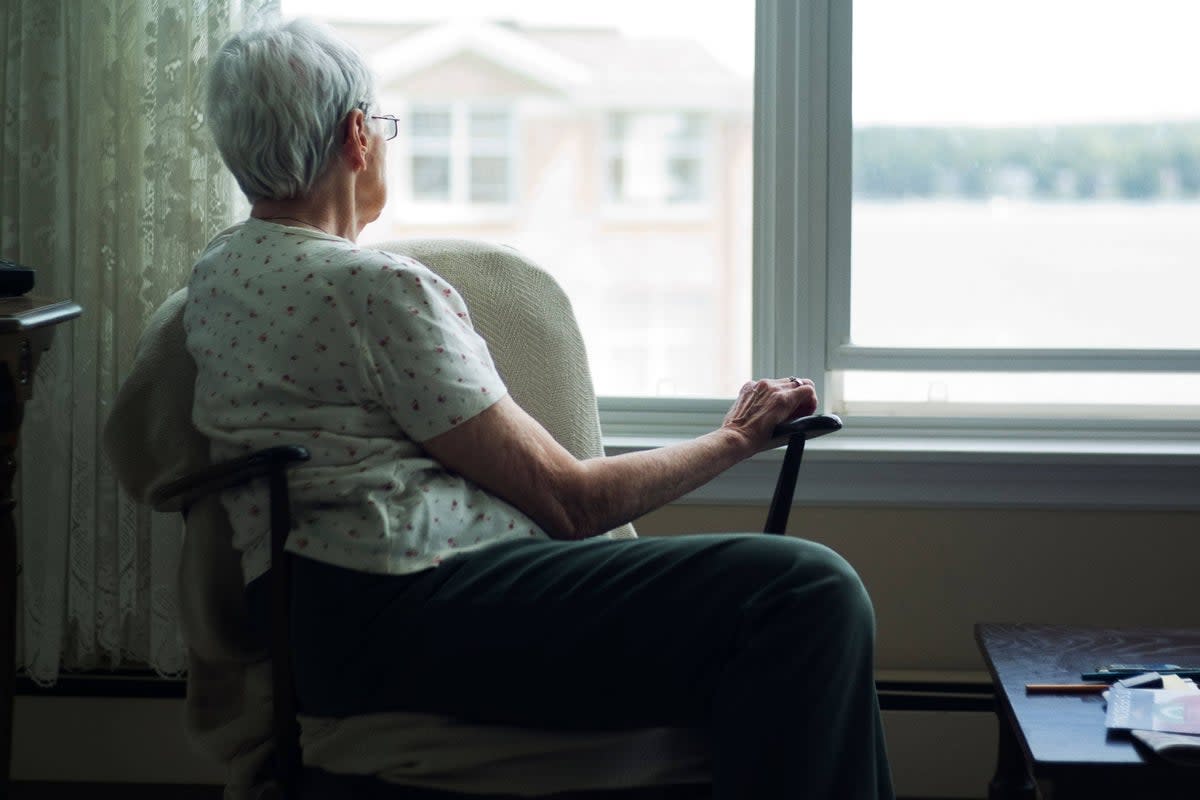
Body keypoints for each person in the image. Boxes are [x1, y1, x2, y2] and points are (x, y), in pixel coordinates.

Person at [189, 18, 893, 800]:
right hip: (416, 611)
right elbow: (570, 501)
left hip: (311, 624)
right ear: (358, 136)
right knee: (806, 589)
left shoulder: (222, 271)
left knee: (773, 613)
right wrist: (737, 437)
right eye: (382, 124)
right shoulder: (374, 291)